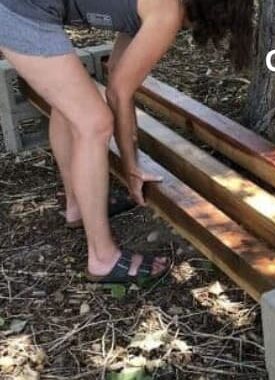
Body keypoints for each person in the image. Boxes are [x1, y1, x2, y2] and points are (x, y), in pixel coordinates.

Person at [0, 0, 254, 283]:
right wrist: (131, 165)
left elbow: (119, 75)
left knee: (69, 106)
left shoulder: (152, 9)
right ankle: (102, 258)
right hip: (20, 10)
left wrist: (130, 155)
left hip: (32, 8)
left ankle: (76, 206)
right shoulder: (168, 12)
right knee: (94, 123)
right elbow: (119, 92)